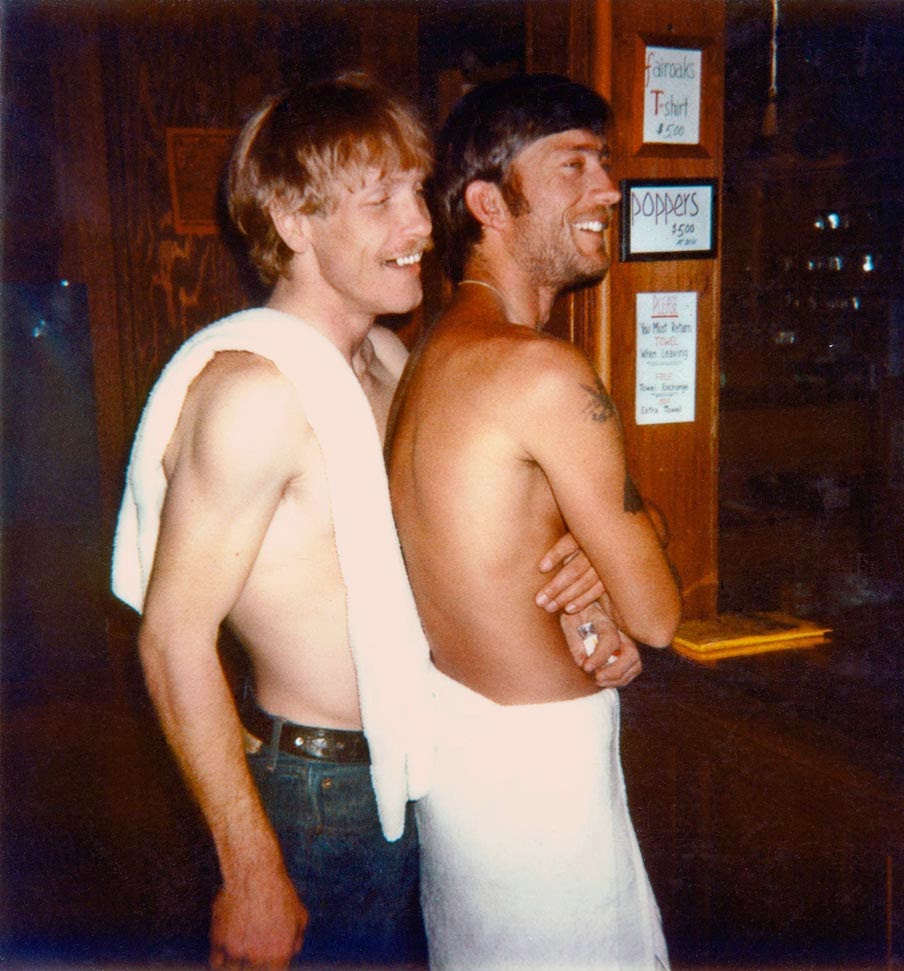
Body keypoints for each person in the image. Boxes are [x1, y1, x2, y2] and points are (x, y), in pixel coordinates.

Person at [111, 75, 629, 971]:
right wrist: (250, 867)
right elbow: (171, 639)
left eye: (417, 193)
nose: (421, 225)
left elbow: (463, 545)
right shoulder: (255, 396)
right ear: (291, 220)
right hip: (314, 796)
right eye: (380, 200)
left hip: (422, 765)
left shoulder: (389, 361)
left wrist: (583, 579)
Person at [387, 73, 683, 970]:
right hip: (540, 786)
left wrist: (606, 550)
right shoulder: (541, 372)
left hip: (466, 764)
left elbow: (516, 547)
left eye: (606, 163)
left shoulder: (427, 359)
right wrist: (629, 552)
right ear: (489, 203)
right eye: (574, 165)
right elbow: (657, 615)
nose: (610, 190)